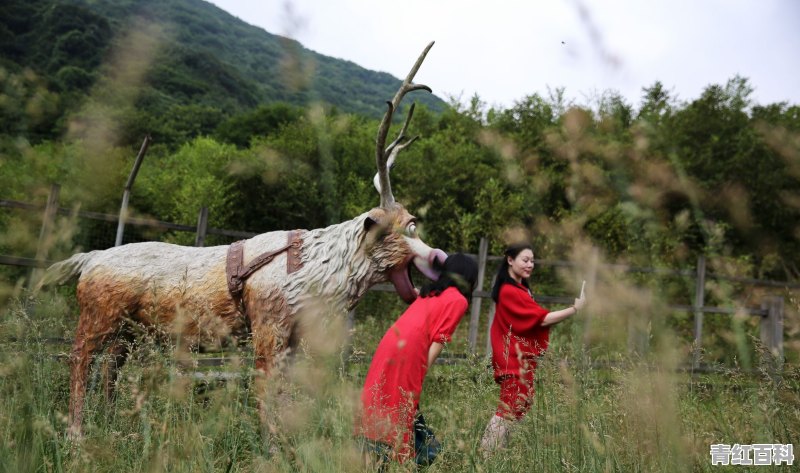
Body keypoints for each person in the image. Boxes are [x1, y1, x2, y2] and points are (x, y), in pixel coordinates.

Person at [358, 253, 479, 467]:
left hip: (391, 340)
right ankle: (400, 459)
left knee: (381, 398)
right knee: (403, 401)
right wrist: (422, 371)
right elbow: (439, 339)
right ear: (469, 276)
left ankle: (373, 458)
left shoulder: (429, 292)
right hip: (411, 348)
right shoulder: (458, 300)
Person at [480, 242, 586, 453]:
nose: (530, 265)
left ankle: (497, 451)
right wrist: (575, 308)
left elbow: (537, 319)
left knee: (520, 404)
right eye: (525, 260)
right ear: (510, 260)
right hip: (512, 357)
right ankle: (486, 453)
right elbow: (541, 319)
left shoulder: (520, 289)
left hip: (520, 358)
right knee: (510, 405)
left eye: (532, 261)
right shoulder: (509, 291)